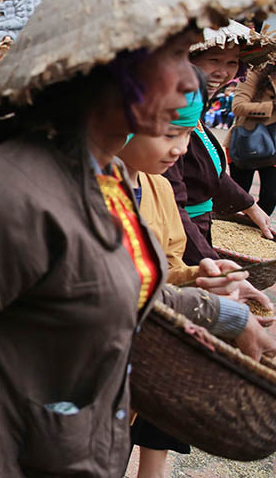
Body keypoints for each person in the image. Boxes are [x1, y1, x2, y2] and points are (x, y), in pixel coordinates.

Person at [0, 0, 276, 478]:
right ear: (110, 67)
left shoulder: (109, 177)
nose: (191, 82)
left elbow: (113, 293)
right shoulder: (7, 192)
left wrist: (229, 316)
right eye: (176, 57)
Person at [118, 89, 273, 478]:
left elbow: (164, 267)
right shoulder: (87, 192)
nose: (181, 149)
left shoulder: (159, 187)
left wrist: (200, 277)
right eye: (170, 133)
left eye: (188, 134)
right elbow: (117, 287)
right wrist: (221, 312)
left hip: (132, 357)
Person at [165, 22, 275, 266]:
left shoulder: (195, 109)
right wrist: (212, 265)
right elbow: (170, 203)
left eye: (232, 63)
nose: (223, 72)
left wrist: (251, 206)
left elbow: (209, 171)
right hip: (178, 235)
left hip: (196, 228)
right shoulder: (171, 114)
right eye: (213, 60)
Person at [230, 57, 276, 215]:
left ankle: (254, 227)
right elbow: (237, 106)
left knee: (271, 197)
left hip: (274, 146)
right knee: (237, 196)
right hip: (248, 141)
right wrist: (271, 106)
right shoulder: (255, 72)